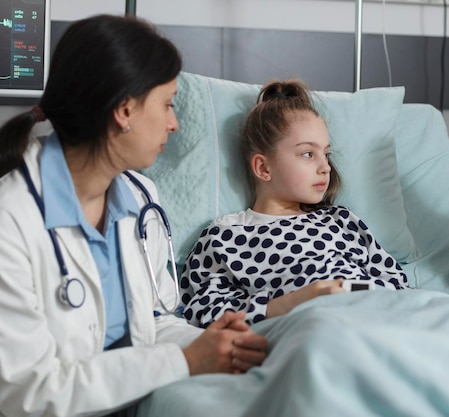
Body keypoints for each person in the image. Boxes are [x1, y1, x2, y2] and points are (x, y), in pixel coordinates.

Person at [0, 14, 267, 417]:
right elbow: (26, 394)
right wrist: (185, 362)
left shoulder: (141, 199)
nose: (174, 123)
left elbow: (152, 321)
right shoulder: (11, 220)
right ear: (125, 110)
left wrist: (204, 343)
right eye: (167, 104)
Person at [179, 79, 409, 327]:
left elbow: (397, 282)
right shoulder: (226, 236)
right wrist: (294, 301)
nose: (325, 167)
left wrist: (353, 290)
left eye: (326, 154)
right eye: (308, 154)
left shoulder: (341, 221)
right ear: (264, 167)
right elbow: (202, 311)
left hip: (381, 316)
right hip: (313, 327)